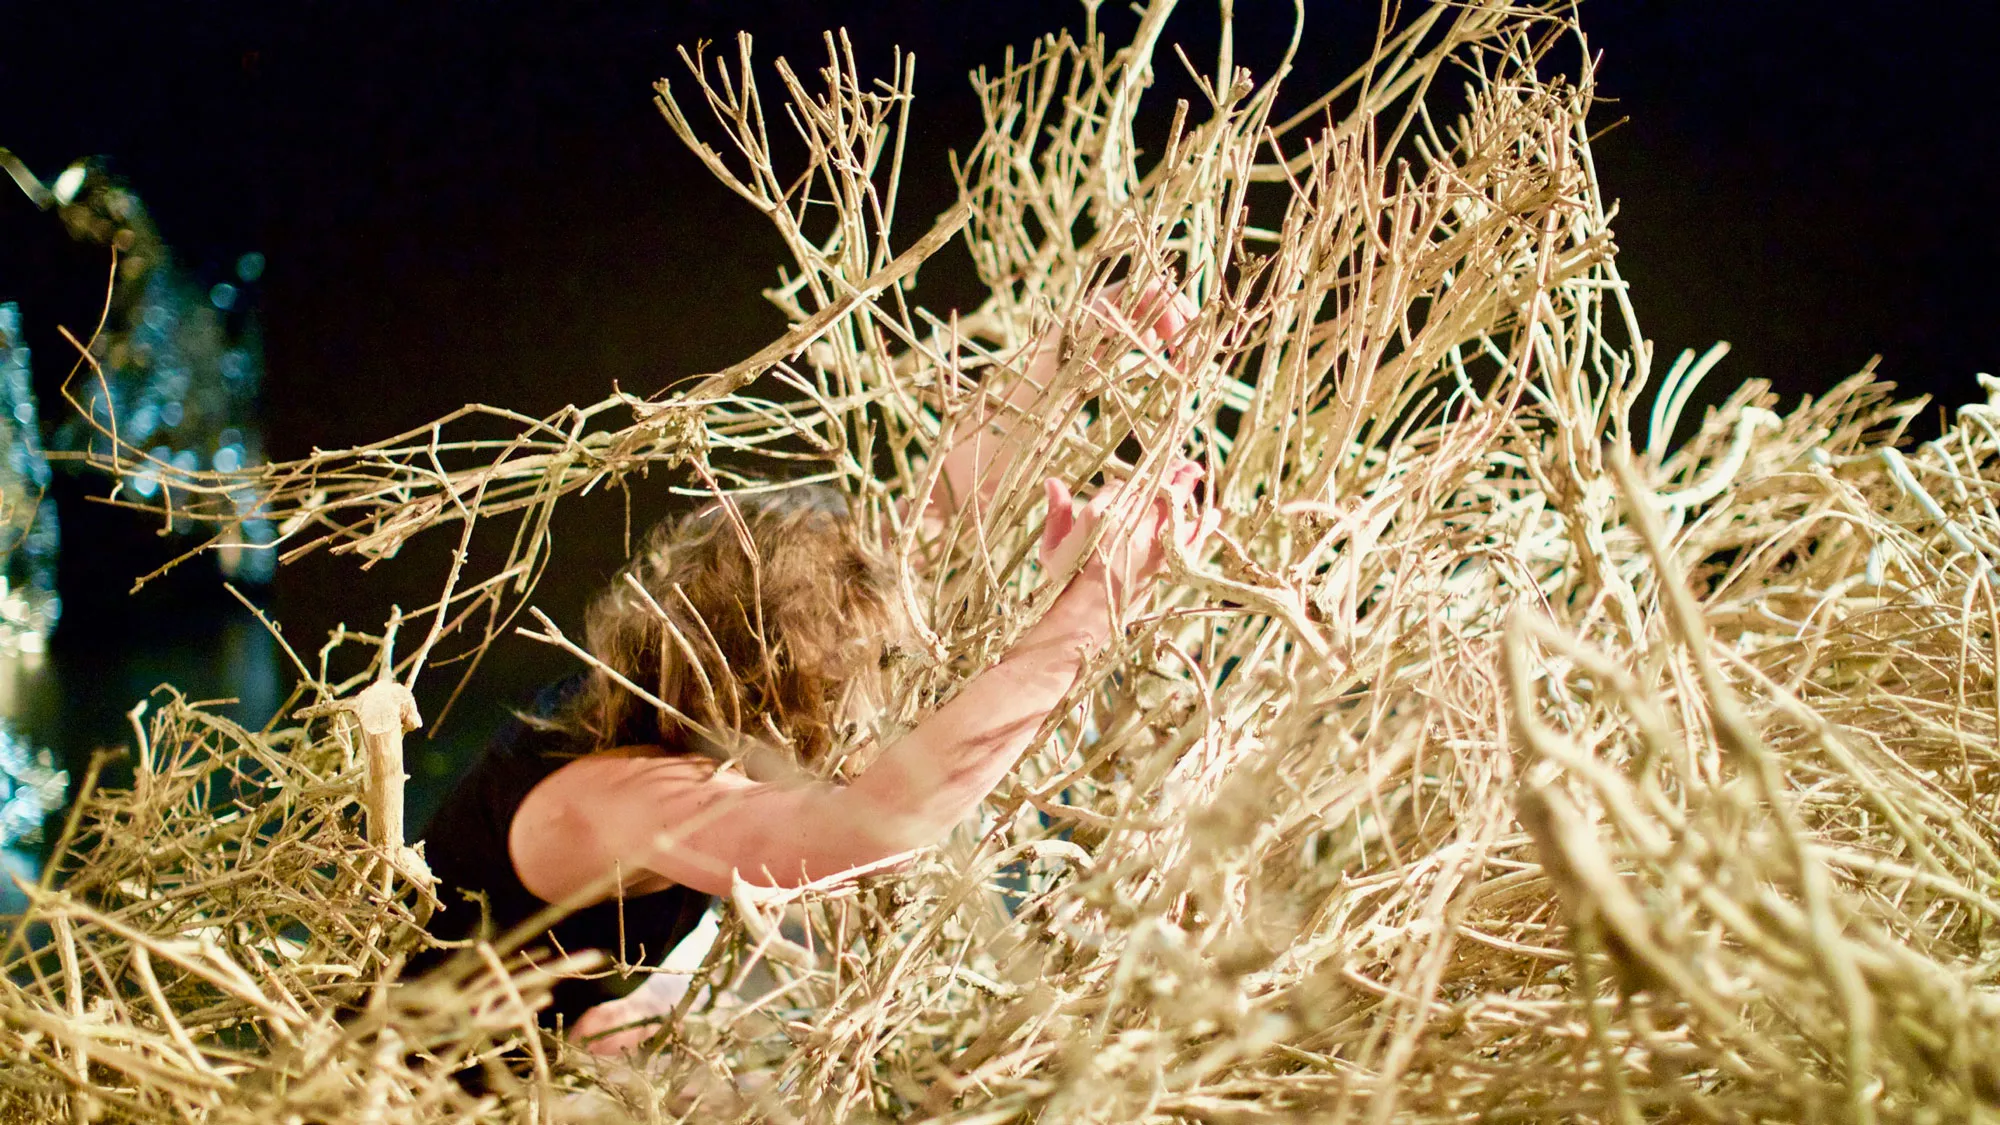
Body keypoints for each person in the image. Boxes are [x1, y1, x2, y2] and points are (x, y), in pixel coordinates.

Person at [410, 280, 1211, 1055]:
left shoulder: (672, 700)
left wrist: (1074, 351)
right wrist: (1088, 614)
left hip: (558, 1027)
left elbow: (935, 512)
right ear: (779, 694)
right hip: (428, 1087)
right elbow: (852, 836)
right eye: (851, 680)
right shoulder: (621, 793)